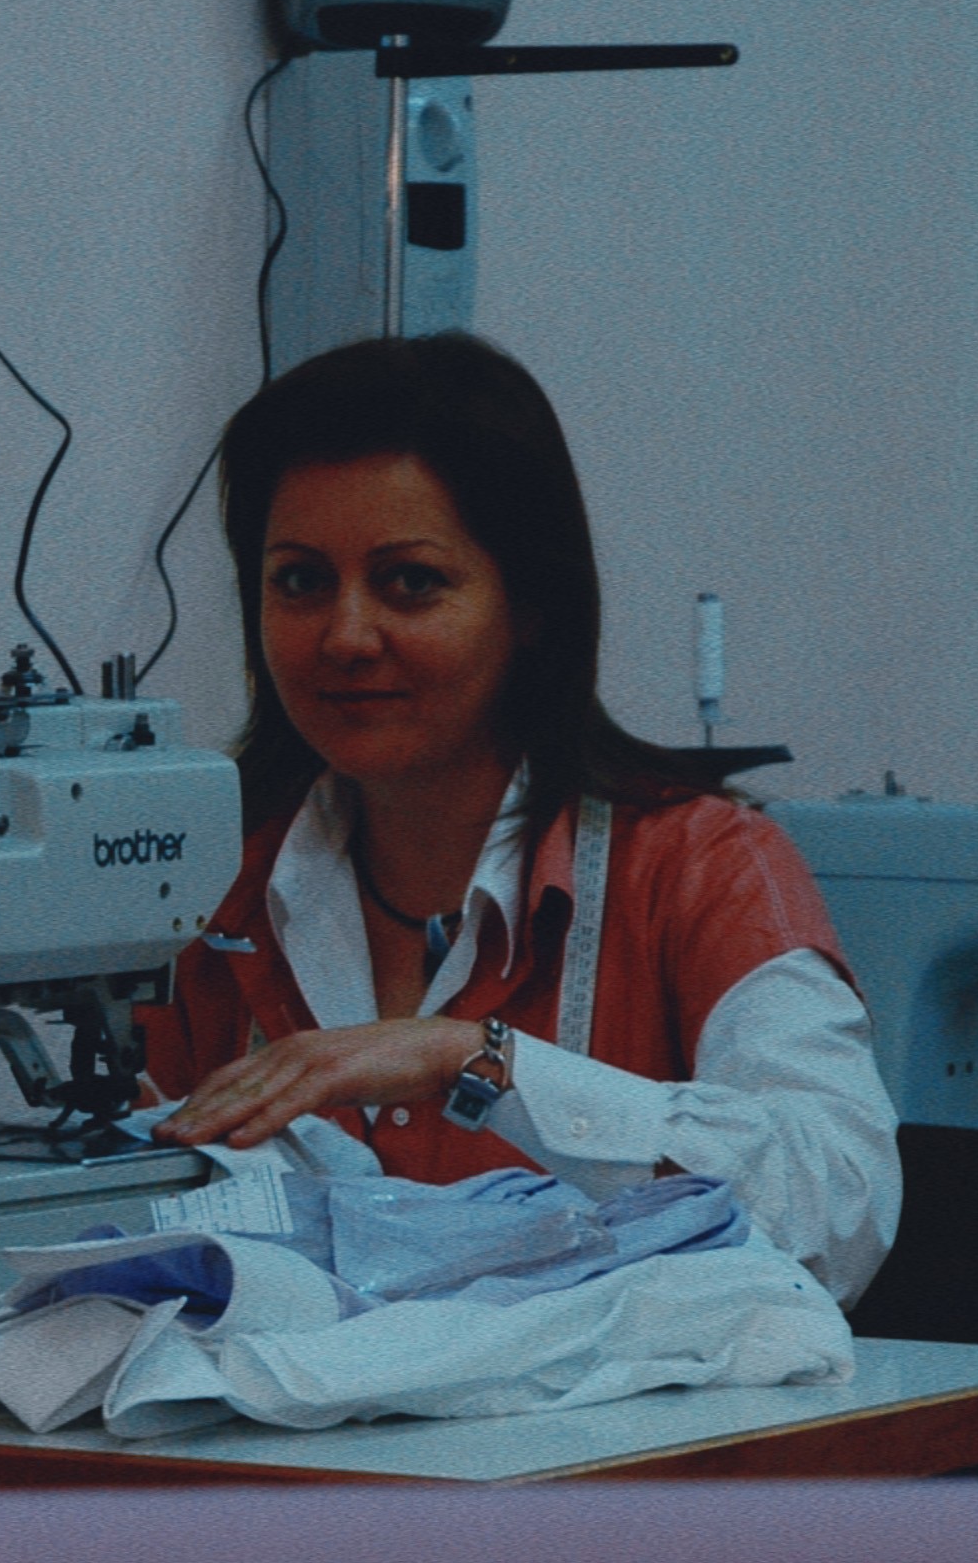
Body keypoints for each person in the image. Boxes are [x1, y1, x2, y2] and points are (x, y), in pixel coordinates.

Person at [144, 335, 902, 1303]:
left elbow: (838, 1211)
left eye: (409, 582)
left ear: (530, 603)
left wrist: (473, 1060)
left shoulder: (699, 868)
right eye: (299, 581)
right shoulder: (212, 889)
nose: (345, 635)